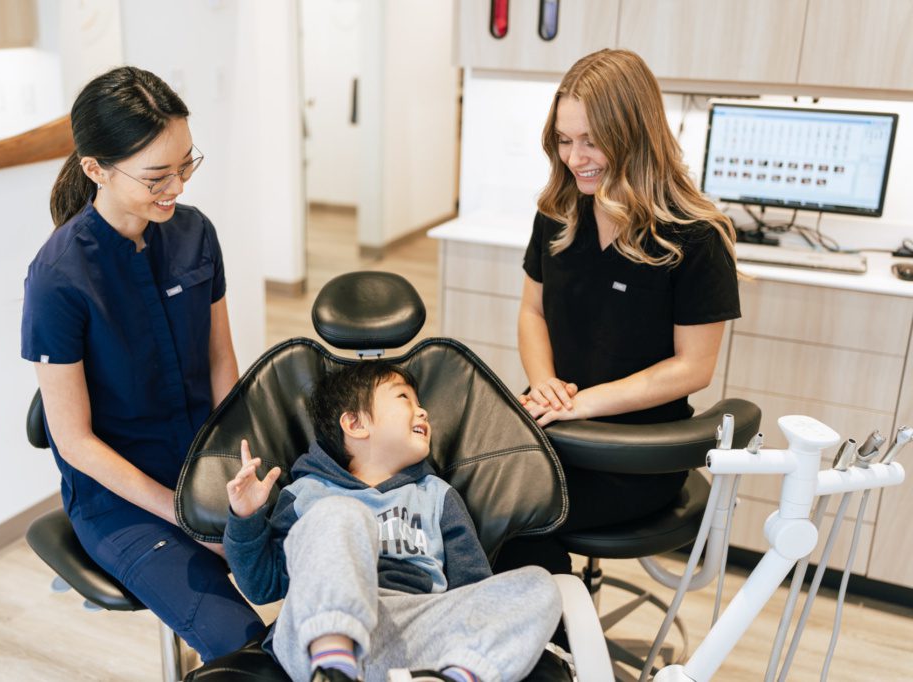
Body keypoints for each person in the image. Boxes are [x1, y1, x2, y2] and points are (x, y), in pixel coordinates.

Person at [20, 66, 263, 661]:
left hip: (205, 465)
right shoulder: (57, 280)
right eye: (157, 175)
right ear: (96, 169)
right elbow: (73, 441)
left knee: (329, 571)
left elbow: (221, 361)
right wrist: (187, 519)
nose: (176, 187)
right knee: (243, 644)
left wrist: (234, 471)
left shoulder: (195, 235)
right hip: (122, 501)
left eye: (185, 165)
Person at [498, 49, 740, 571]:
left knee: (513, 521)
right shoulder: (559, 213)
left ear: (634, 134)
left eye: (591, 140)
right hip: (555, 430)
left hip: (635, 457)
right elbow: (531, 312)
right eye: (564, 140)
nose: (574, 157)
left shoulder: (696, 237)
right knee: (459, 491)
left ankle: (553, 649)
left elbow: (693, 367)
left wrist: (583, 404)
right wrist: (545, 386)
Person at [223, 361, 562, 682]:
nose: (423, 411)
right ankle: (334, 668)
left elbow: (473, 589)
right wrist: (246, 516)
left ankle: (457, 677)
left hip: (415, 631)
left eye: (420, 403)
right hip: (316, 637)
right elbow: (261, 586)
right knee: (340, 514)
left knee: (540, 584)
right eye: (404, 399)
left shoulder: (437, 496)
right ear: (356, 424)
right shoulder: (307, 494)